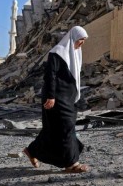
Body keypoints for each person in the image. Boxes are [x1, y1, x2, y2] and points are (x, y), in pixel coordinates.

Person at [23, 26, 90, 173]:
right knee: (66, 128)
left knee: (56, 129)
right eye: (80, 40)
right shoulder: (57, 53)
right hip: (56, 98)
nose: (82, 43)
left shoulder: (75, 53)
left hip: (69, 98)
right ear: (73, 38)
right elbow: (50, 76)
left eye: (84, 40)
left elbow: (75, 78)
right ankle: (71, 164)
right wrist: (51, 97)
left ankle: (32, 150)